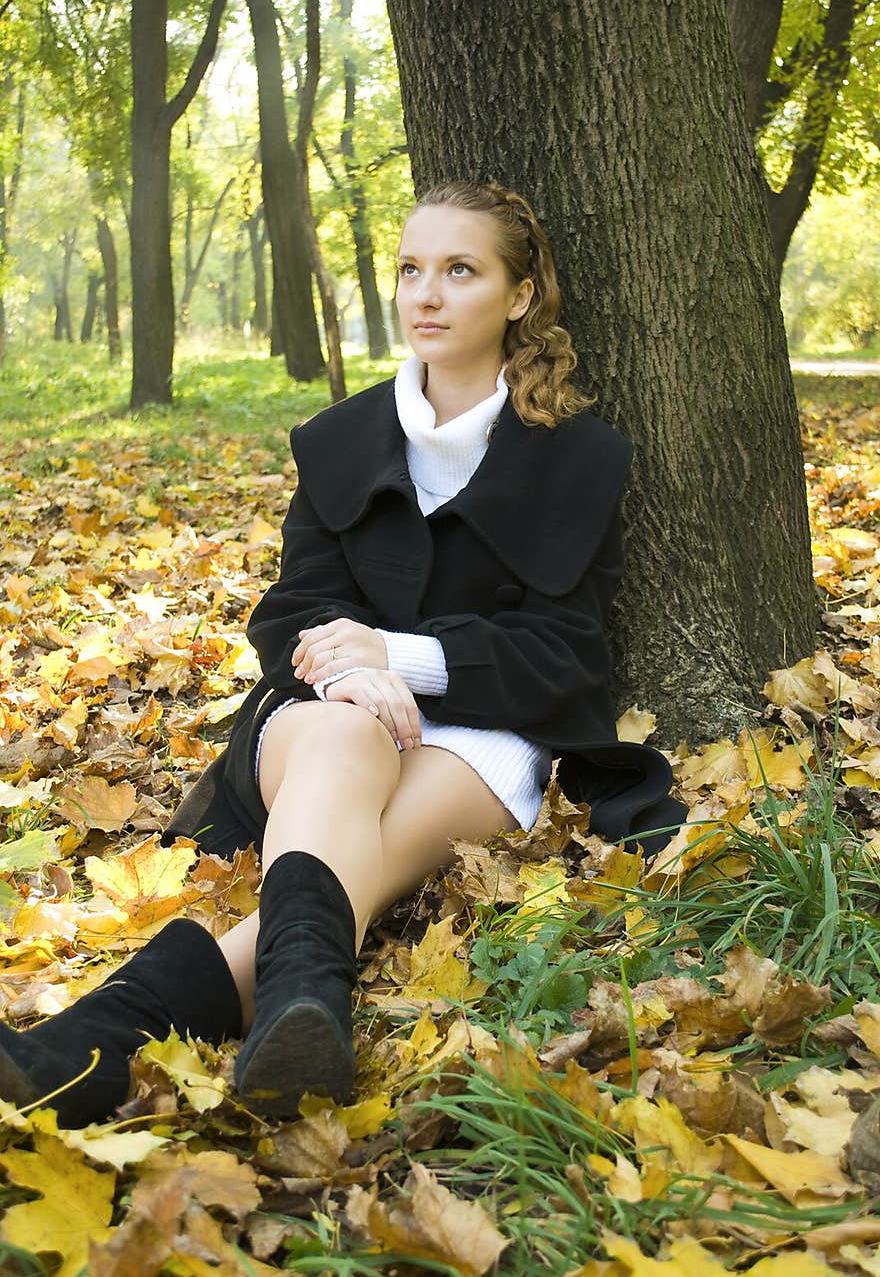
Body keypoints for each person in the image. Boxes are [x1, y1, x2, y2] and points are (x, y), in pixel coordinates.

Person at [0, 179, 688, 1130]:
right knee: (341, 738)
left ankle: (108, 1039)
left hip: (488, 733)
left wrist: (399, 655)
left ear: (520, 296)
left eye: (460, 270)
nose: (427, 295)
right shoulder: (340, 439)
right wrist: (356, 669)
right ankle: (277, 1011)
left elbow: (566, 654)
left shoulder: (579, 458)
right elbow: (293, 608)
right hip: (328, 712)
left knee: (351, 868)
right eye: (411, 269)